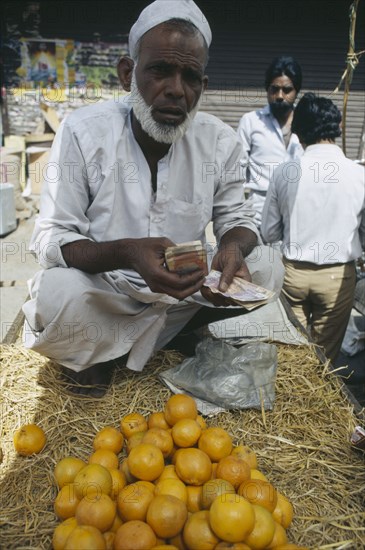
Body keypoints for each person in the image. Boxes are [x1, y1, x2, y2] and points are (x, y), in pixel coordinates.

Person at [22, 0, 284, 397]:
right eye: (160, 70)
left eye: (190, 77)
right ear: (128, 73)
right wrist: (127, 253)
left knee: (266, 265)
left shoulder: (219, 141)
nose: (176, 90)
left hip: (184, 294)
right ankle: (105, 353)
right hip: (106, 295)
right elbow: (52, 239)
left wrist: (232, 247)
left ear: (203, 87)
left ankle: (158, 338)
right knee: (55, 291)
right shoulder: (83, 132)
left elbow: (240, 218)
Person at [261, 92, 365, 362]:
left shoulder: (285, 172)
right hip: (337, 279)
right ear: (338, 128)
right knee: (323, 359)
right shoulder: (359, 175)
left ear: (298, 134)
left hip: (292, 275)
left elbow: (269, 232)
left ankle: (289, 401)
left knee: (293, 356)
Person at [237, 56, 303, 226]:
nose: (280, 96)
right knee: (262, 253)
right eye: (274, 89)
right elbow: (237, 169)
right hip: (259, 211)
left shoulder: (307, 123)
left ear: (296, 91)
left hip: (298, 209)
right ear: (267, 90)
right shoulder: (251, 121)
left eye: (287, 90)